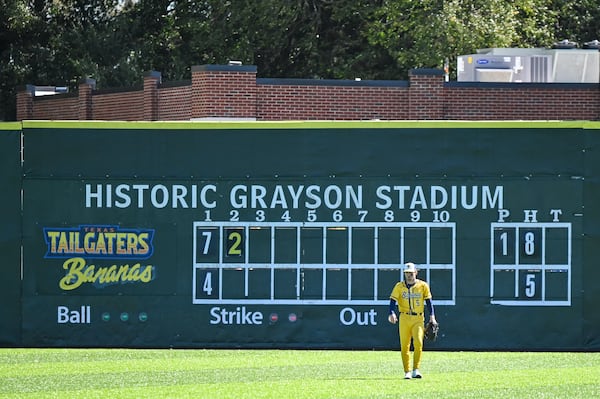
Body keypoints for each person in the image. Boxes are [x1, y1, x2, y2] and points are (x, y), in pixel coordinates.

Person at [388, 262, 437, 379]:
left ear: (416, 272)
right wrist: (391, 312)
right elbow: (392, 301)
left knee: (419, 342)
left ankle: (416, 369)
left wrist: (432, 316)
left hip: (418, 318)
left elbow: (429, 301)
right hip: (404, 317)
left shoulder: (423, 285)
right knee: (405, 345)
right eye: (407, 273)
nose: (409, 275)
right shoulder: (399, 286)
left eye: (411, 273)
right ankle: (407, 371)